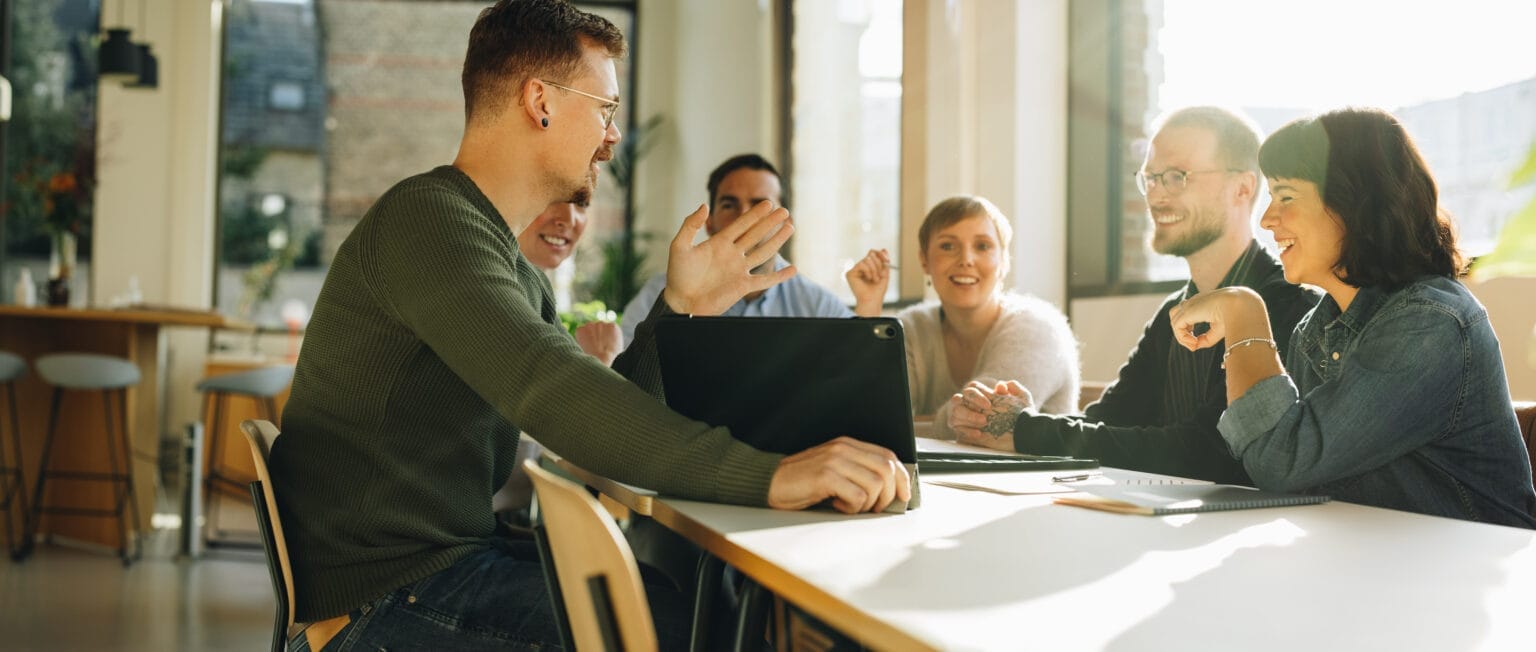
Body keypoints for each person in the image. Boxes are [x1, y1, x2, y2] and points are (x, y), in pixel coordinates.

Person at [268, 2, 911, 649]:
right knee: (697, 631)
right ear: (539, 101)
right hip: (385, 599)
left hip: (436, 571)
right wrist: (773, 475)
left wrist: (682, 308)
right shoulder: (430, 223)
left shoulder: (499, 255)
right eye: (604, 108)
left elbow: (596, 410)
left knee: (700, 605)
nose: (611, 137)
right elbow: (554, 391)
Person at [1166, 107, 1536, 526]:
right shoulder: (1316, 330)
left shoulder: (1431, 323)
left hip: (1463, 571)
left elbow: (1284, 462)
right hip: (1376, 564)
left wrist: (1243, 311)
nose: (1267, 219)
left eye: (1285, 196)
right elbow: (1303, 483)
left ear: (1356, 203)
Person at [947, 107, 1319, 485]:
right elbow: (1109, 421)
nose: (1156, 193)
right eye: (1151, 178)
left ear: (1243, 188)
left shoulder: (1291, 309)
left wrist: (1030, 431)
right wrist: (1007, 419)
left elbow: (1210, 451)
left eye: (1177, 176)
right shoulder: (1172, 312)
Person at [846, 195, 1079, 439]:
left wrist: (906, 425)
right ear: (924, 260)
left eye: (983, 246)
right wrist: (869, 307)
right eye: (948, 246)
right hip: (937, 478)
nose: (966, 260)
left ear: (1003, 262)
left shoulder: (1039, 328)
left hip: (1038, 477)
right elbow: (863, 414)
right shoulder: (912, 328)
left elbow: (984, 424)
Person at [620, 153, 852, 345]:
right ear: (709, 222)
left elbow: (859, 372)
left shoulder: (818, 306)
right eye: (729, 205)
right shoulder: (660, 295)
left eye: (761, 206)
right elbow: (626, 377)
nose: (745, 217)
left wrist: (870, 304)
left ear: (784, 223)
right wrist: (679, 309)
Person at [519, 199, 622, 365]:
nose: (569, 220)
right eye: (553, 199)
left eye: (582, 204)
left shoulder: (540, 303)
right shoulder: (492, 298)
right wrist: (602, 359)